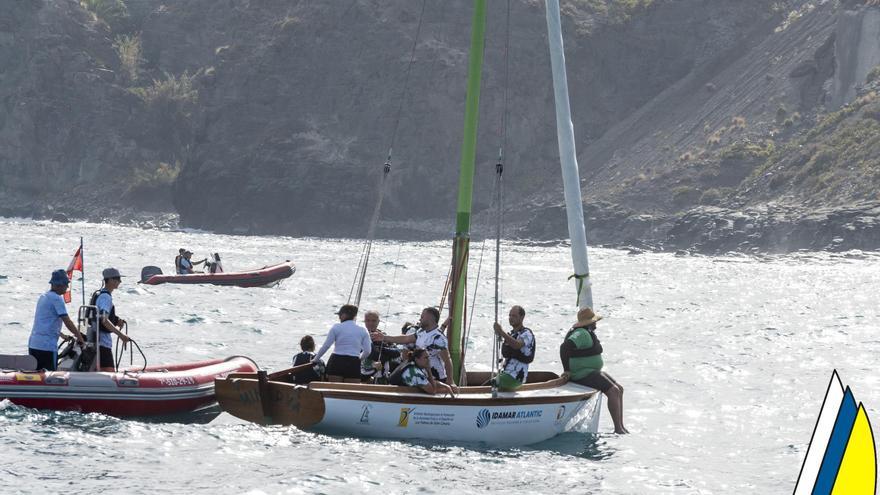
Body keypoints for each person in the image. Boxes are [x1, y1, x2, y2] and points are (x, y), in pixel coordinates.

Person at [560, 307, 628, 434]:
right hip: (582, 373)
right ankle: (618, 429)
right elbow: (564, 347)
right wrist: (567, 370)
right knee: (614, 391)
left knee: (620, 389)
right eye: (594, 321)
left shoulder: (587, 332)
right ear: (589, 322)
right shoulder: (581, 333)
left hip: (591, 371)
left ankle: (621, 425)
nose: (596, 323)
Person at [372, 307, 456, 389]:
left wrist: (450, 380)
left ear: (430, 319)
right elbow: (406, 339)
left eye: (422, 316)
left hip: (435, 376)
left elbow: (447, 360)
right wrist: (384, 337)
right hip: (421, 373)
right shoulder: (421, 331)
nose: (420, 319)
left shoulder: (438, 338)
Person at [27, 270, 86, 371]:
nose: (67, 287)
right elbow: (67, 322)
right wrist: (80, 339)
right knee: (49, 379)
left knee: (36, 377)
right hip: (46, 348)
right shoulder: (57, 298)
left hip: (33, 344)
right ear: (59, 285)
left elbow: (46, 323)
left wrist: (62, 335)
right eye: (66, 284)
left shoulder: (43, 297)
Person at [313, 304, 372, 383]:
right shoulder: (363, 330)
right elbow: (368, 351)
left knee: (334, 391)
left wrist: (315, 359)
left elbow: (326, 346)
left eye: (340, 315)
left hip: (337, 361)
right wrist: (358, 359)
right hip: (353, 362)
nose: (339, 317)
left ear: (344, 315)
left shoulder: (336, 327)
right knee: (350, 391)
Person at [88, 268, 132, 371]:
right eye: (118, 279)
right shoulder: (106, 297)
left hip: (95, 340)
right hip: (102, 343)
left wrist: (116, 320)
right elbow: (104, 320)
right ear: (111, 280)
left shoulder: (98, 294)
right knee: (109, 371)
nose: (120, 282)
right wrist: (121, 335)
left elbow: (99, 315)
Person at [493, 305, 535, 391]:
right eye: (510, 315)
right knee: (486, 378)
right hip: (506, 373)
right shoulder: (511, 335)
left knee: (491, 383)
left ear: (522, 317)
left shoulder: (527, 333)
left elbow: (517, 345)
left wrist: (502, 332)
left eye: (514, 316)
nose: (511, 318)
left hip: (515, 377)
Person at [390, 348, 455, 396]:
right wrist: (429, 370)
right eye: (426, 358)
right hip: (398, 398)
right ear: (417, 359)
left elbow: (428, 381)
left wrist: (444, 385)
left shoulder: (410, 364)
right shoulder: (415, 372)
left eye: (428, 357)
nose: (428, 360)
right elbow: (433, 391)